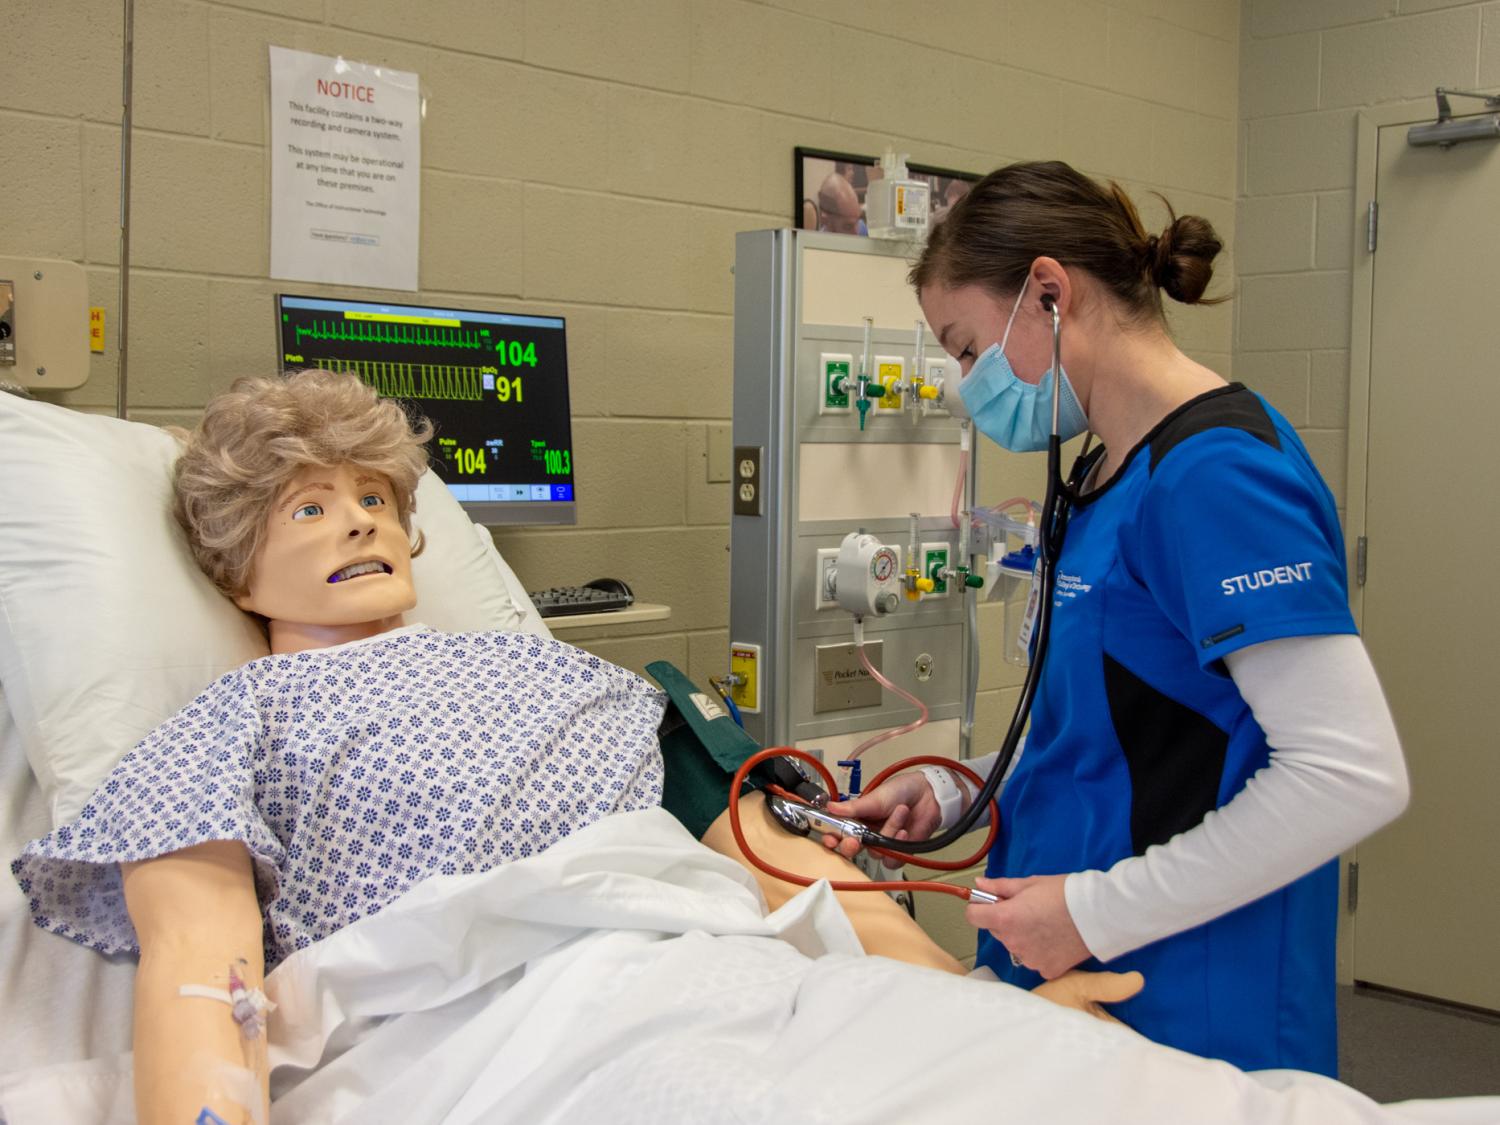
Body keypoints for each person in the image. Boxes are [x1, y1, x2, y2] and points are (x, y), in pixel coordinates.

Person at [11, 370, 1137, 1124]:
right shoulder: (232, 720)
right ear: (229, 568)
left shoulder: (586, 680)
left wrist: (966, 1003)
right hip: (491, 1030)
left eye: (373, 496)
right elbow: (205, 982)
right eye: (307, 510)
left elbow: (799, 873)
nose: (359, 519)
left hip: (712, 970)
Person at [825, 160, 1409, 1075]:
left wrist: (1091, 913)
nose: (965, 384)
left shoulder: (1217, 477)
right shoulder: (1101, 476)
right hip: (1072, 976)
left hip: (1189, 1005)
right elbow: (1120, 731)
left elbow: (1350, 772)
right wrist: (955, 787)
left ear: (1050, 292)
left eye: (968, 348)